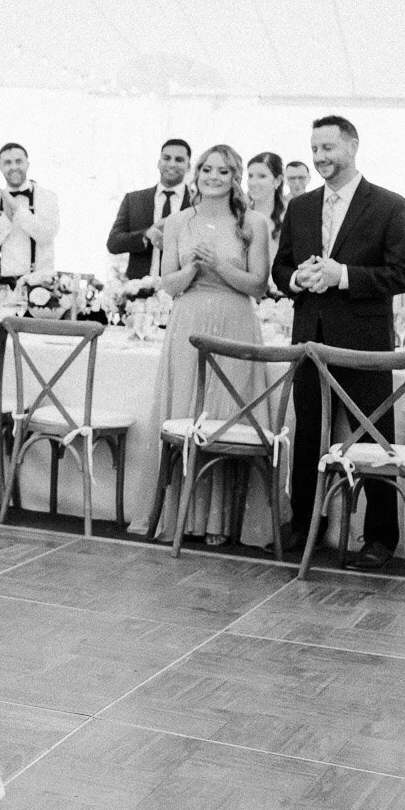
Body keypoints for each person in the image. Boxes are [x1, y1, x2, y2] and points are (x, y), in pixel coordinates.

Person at [272, 116, 405, 571]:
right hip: (310, 340)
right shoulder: (299, 207)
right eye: (314, 148)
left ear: (353, 145)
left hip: (365, 342)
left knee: (373, 437)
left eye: (328, 148)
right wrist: (298, 277)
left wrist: (344, 276)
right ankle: (302, 523)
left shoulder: (390, 205)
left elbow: (404, 274)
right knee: (308, 432)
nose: (319, 158)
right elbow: (281, 269)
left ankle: (380, 537)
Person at [152, 145, 271, 544]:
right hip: (188, 320)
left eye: (222, 171)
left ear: (234, 177)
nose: (213, 177)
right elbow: (168, 283)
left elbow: (258, 284)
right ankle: (183, 518)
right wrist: (193, 268)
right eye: (207, 169)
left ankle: (221, 522)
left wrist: (220, 266)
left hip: (235, 323)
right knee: (187, 412)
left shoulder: (253, 222)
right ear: (196, 174)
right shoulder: (177, 222)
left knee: (226, 416)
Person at [107, 139, 192, 281]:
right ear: (159, 163)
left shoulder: (197, 203)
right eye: (166, 158)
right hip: (139, 293)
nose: (171, 164)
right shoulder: (134, 199)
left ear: (188, 167)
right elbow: (113, 243)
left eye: (179, 160)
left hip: (183, 291)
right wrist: (146, 235)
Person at [0, 142, 59, 286]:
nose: (14, 167)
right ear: (0, 167)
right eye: (8, 162)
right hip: (2, 287)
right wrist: (6, 218)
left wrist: (17, 210)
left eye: (18, 161)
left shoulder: (47, 197)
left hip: (40, 286)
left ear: (27, 164)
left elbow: (47, 235)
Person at [246, 152, 287, 249]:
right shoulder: (241, 216)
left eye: (262, 176)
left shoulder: (289, 218)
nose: (253, 183)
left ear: (277, 180)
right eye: (250, 176)